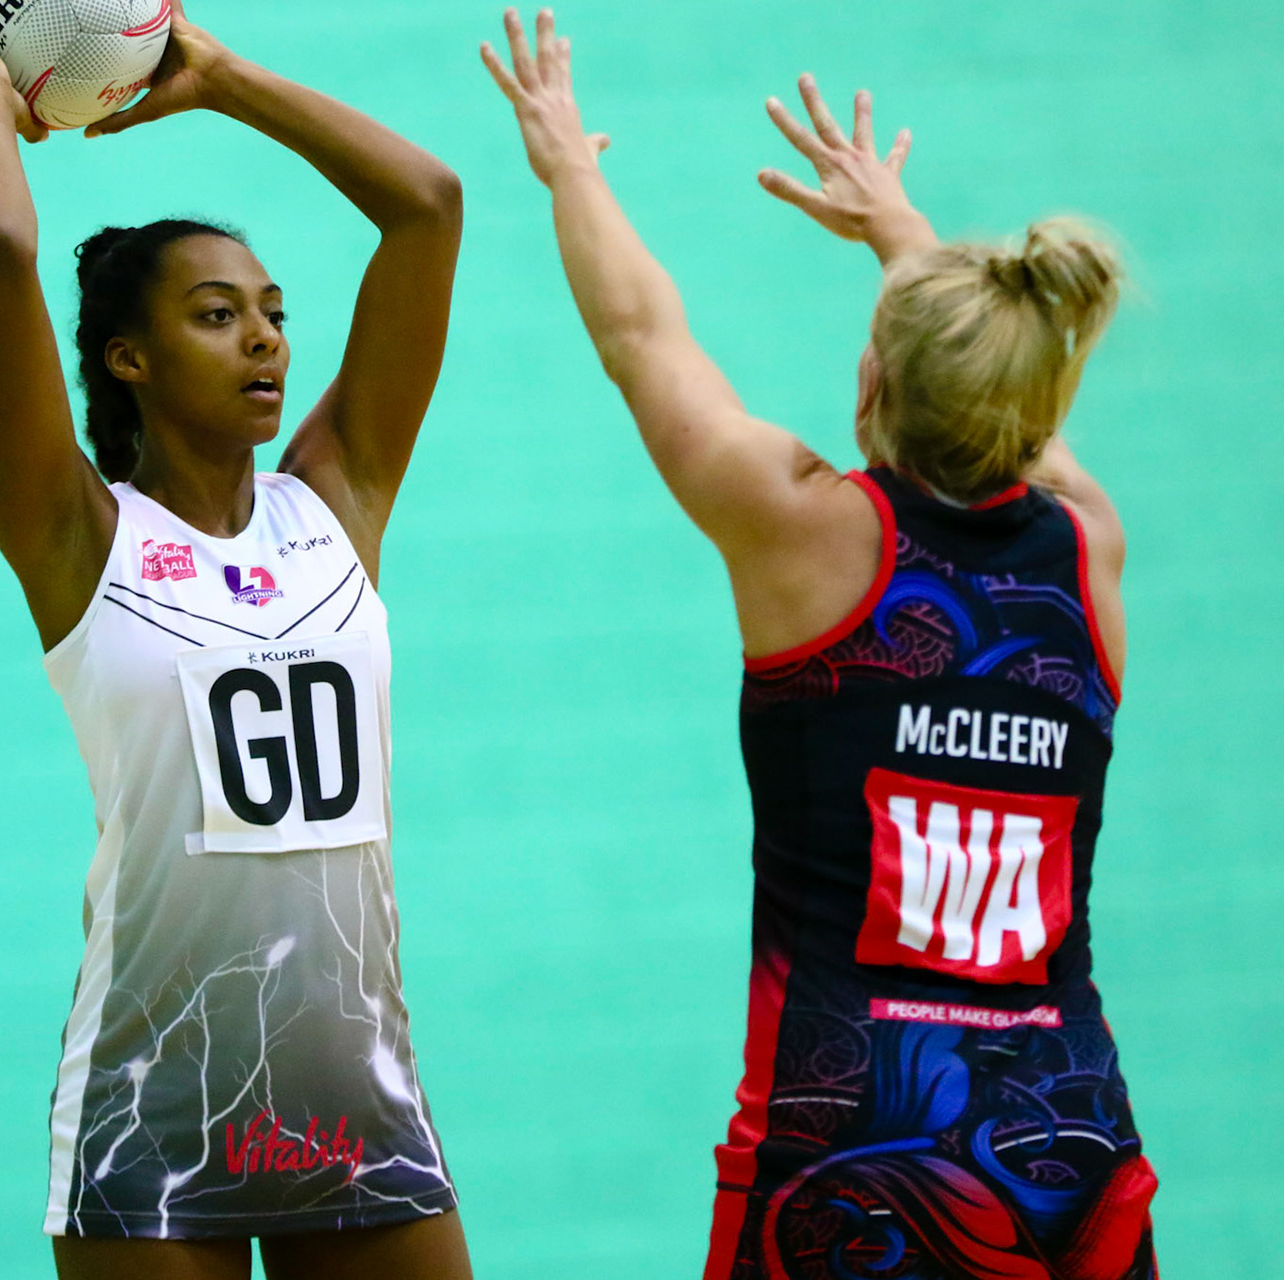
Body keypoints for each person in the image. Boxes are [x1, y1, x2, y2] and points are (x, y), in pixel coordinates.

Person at [482, 9, 1157, 1277]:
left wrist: (569, 159)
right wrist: (906, 234)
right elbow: (1016, 414)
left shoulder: (807, 535)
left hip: (850, 1142)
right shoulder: (1091, 550)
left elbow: (643, 343)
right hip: (1064, 1131)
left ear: (869, 385)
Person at [0, 0, 471, 1275]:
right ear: (126, 358)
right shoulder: (74, 534)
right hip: (153, 1105)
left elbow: (428, 206)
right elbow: (2, 249)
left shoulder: (336, 501)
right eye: (217, 314)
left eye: (272, 310)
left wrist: (219, 78)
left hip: (358, 1093)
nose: (267, 336)